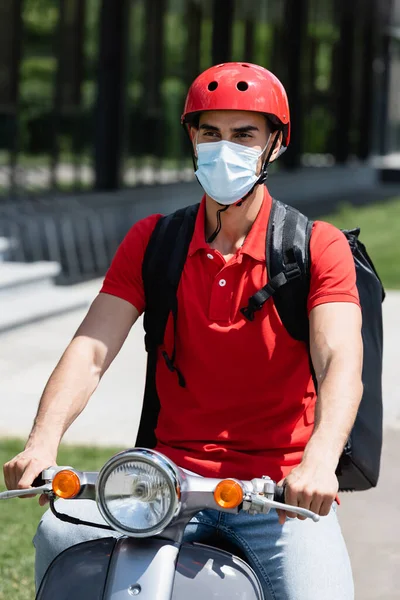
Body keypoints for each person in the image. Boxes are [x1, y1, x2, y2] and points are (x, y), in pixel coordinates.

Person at [3, 63, 362, 599]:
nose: (225, 148)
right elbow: (91, 350)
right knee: (60, 534)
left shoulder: (315, 247)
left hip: (279, 496)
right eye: (211, 133)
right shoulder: (154, 242)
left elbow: (341, 363)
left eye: (244, 135)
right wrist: (42, 442)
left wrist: (319, 462)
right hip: (163, 484)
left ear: (275, 145)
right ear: (191, 138)